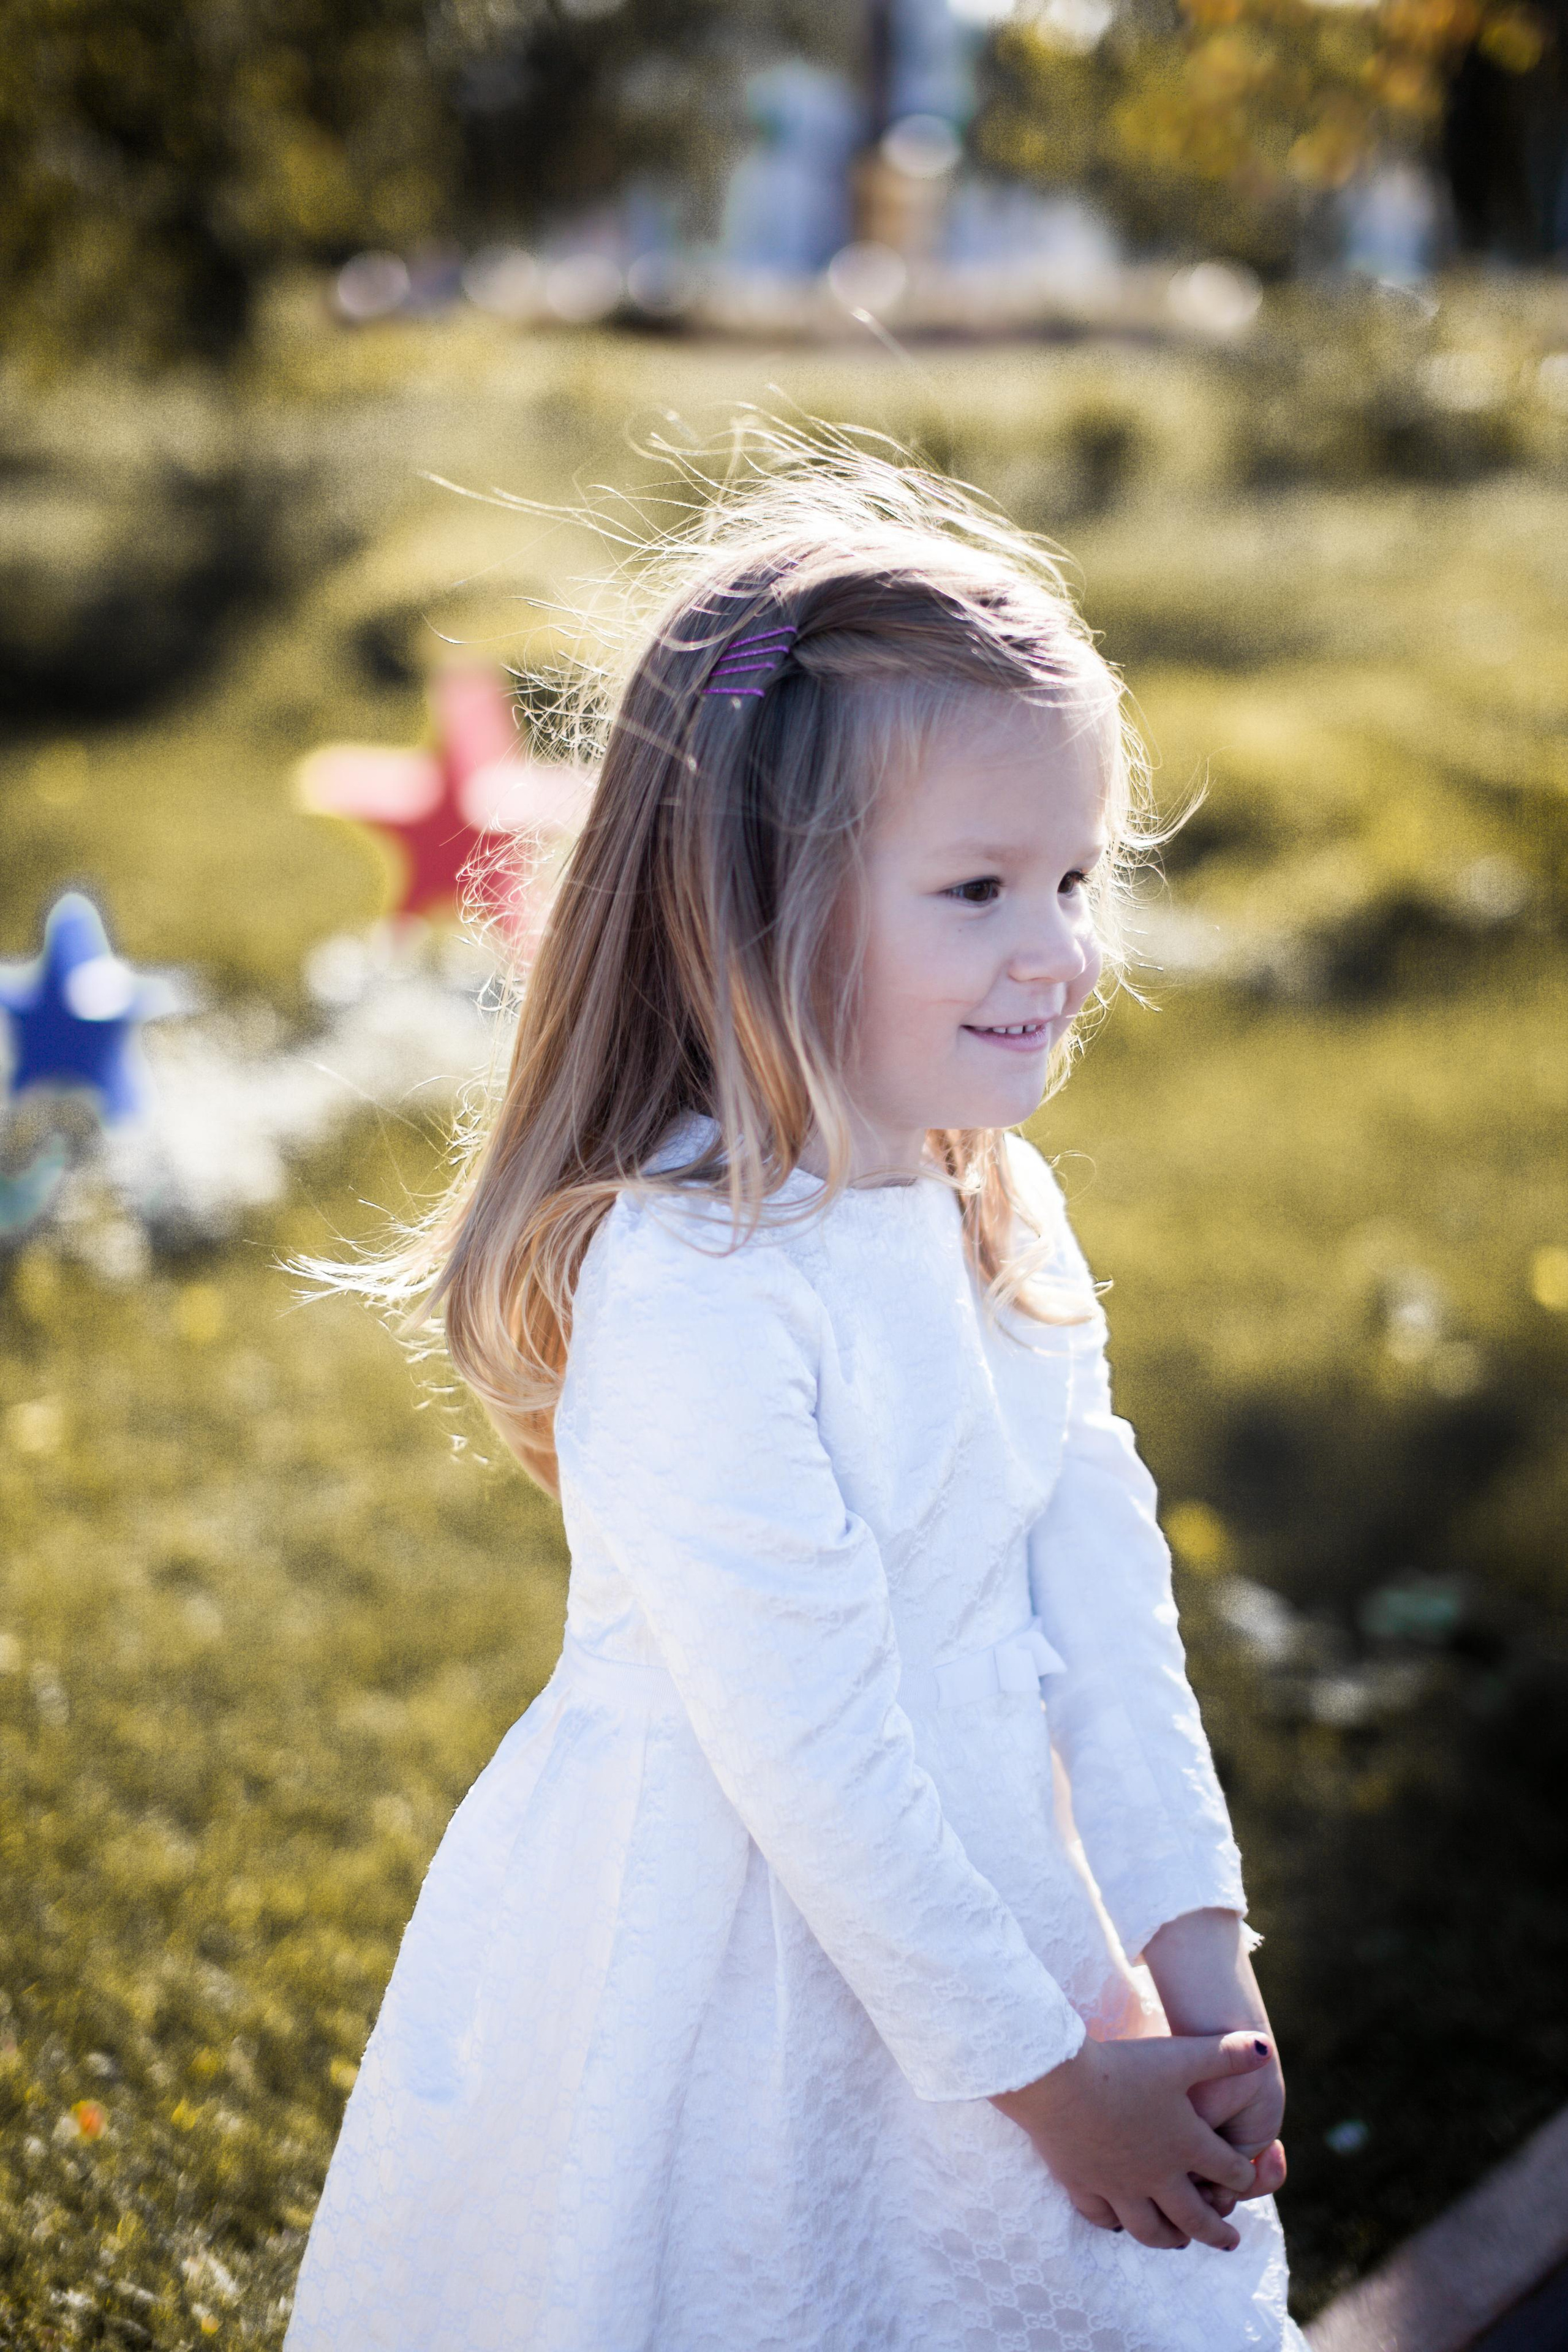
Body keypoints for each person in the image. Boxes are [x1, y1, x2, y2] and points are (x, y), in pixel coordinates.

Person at [284, 435, 1304, 2351]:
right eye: (983, 886)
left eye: (1077, 876)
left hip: (999, 1911)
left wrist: (1195, 1948)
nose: (1062, 954)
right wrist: (1048, 2085)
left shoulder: (989, 1202)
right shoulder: (699, 1288)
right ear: (760, 903)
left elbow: (1102, 1592)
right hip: (740, 1975)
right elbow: (814, 1759)